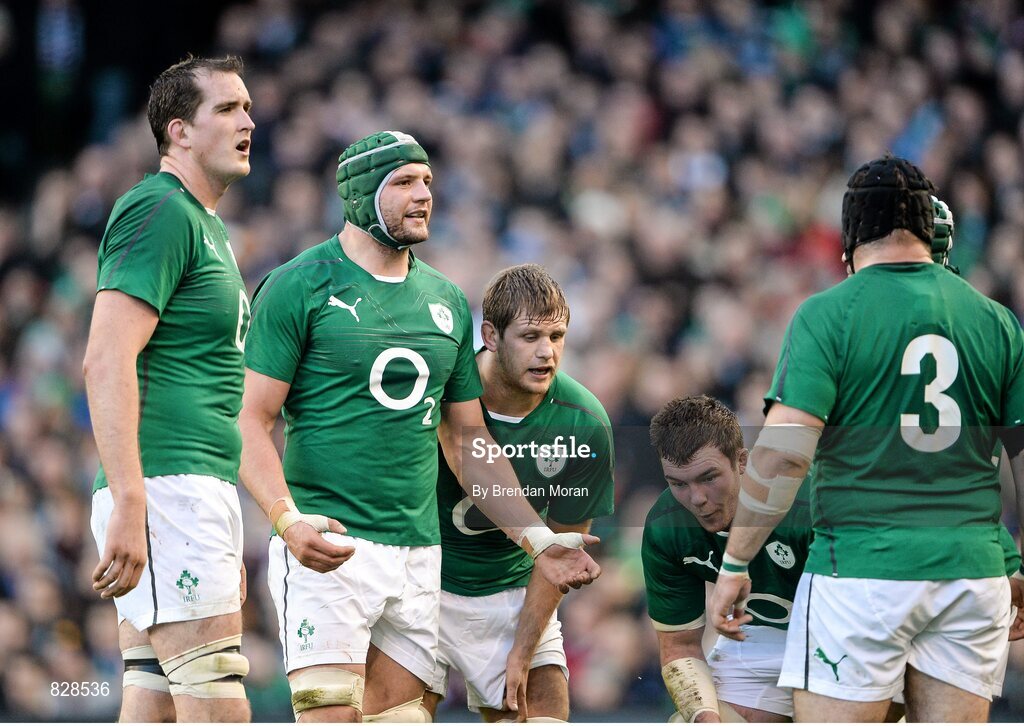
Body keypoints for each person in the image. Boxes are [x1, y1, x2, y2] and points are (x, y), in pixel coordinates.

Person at [238, 131, 601, 723]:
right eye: (405, 182)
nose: (424, 194)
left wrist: (537, 540)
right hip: (329, 544)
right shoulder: (297, 286)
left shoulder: (447, 301)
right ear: (360, 195)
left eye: (428, 181)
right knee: (330, 715)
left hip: (418, 557)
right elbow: (249, 421)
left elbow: (467, 440)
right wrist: (286, 519)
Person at [709, 155, 1024, 722]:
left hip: (860, 572)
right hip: (972, 575)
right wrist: (1015, 563)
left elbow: (782, 456)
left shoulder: (828, 315)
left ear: (850, 237)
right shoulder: (997, 321)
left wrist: (736, 562)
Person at [83, 56, 255, 722]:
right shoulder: (159, 209)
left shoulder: (206, 225)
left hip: (189, 493)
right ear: (179, 131)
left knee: (152, 702)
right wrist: (132, 499)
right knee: (216, 702)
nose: (248, 121)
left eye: (248, 108)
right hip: (167, 490)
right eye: (228, 109)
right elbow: (105, 358)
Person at [421, 264, 616, 722]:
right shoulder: (439, 392)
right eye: (530, 337)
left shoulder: (584, 423)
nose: (547, 352)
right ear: (489, 335)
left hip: (513, 592)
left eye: (557, 336)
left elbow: (561, 553)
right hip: (423, 583)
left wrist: (522, 651)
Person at [643, 395, 811, 723]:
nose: (697, 498)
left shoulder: (806, 504)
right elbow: (680, 647)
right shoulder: (666, 526)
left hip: (839, 636)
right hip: (753, 637)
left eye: (709, 477)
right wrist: (706, 717)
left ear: (742, 461)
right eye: (678, 483)